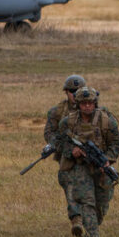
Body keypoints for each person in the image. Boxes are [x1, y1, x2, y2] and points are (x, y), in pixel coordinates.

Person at [56, 87, 119, 237]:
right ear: (78, 104)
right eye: (84, 103)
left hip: (102, 167)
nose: (87, 106)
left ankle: (91, 225)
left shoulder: (107, 121)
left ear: (95, 103)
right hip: (80, 167)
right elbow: (58, 143)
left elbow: (116, 144)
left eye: (90, 103)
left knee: (102, 203)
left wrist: (107, 159)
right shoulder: (68, 122)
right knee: (87, 201)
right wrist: (72, 151)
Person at [44, 75, 86, 219]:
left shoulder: (93, 110)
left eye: (78, 91)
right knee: (69, 185)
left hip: (88, 156)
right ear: (66, 92)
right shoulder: (57, 111)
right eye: (71, 91)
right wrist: (59, 144)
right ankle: (76, 218)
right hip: (66, 156)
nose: (74, 94)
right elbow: (49, 133)